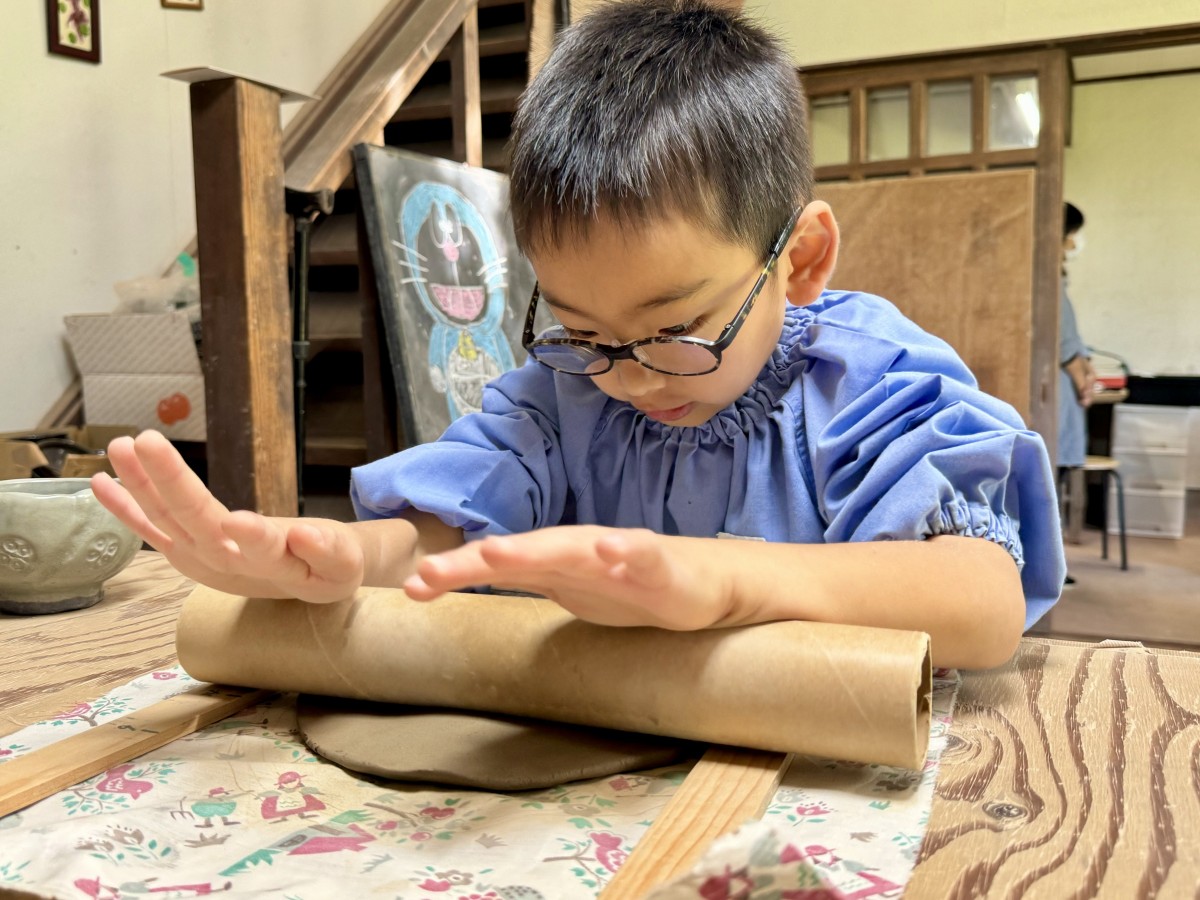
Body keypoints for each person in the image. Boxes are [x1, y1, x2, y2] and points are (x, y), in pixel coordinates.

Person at [92, 0, 1064, 670]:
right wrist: (347, 560)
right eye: (583, 330)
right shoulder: (564, 399)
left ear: (801, 260)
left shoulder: (867, 380)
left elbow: (981, 601)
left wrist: (722, 580)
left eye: (675, 327)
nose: (630, 377)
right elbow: (450, 528)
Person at [1058, 202, 1095, 470]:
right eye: (1072, 233)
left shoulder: (1057, 276)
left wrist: (1086, 363)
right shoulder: (1045, 275)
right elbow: (1063, 341)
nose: (1075, 243)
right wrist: (1082, 375)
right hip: (1056, 387)